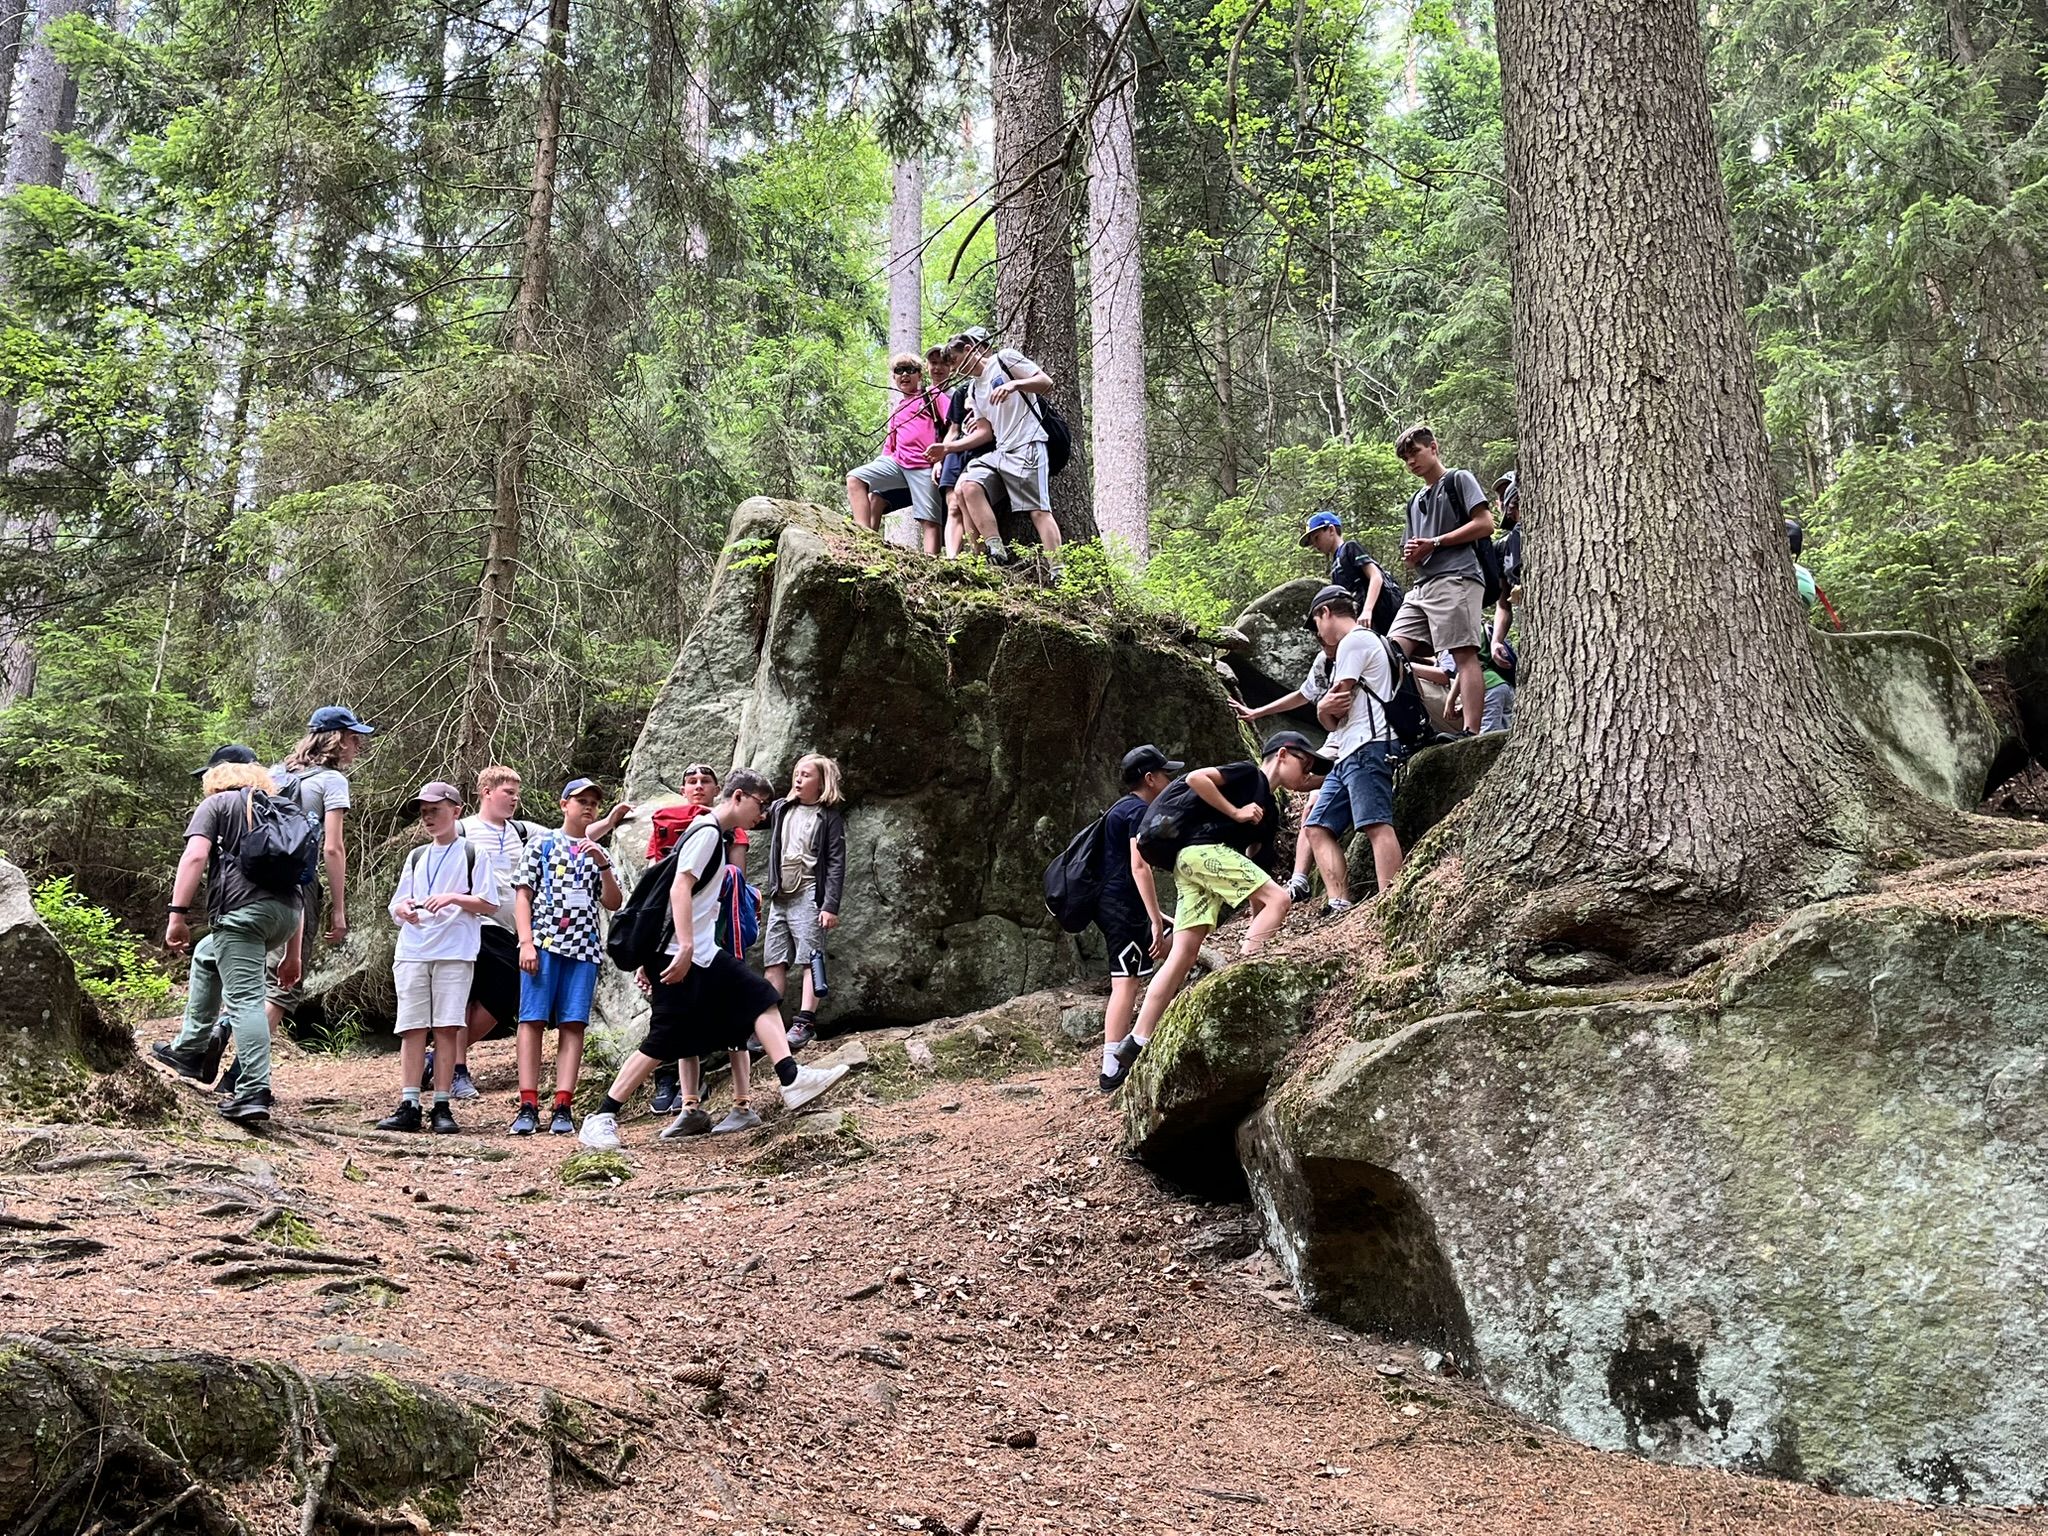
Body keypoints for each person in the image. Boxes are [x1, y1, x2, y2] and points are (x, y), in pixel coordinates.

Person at [578, 770, 849, 1151]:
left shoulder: (713, 836)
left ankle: (791, 1078)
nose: (762, 815)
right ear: (738, 797)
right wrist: (684, 946)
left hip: (703, 953)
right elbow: (679, 887)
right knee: (663, 1038)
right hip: (680, 956)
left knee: (759, 996)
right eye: (758, 805)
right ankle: (601, 1116)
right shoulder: (706, 834)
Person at [1113, 732, 1330, 1073]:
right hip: (1201, 853)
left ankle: (1137, 1039)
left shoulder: (1269, 813)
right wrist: (1236, 811)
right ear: (1283, 754)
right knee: (1280, 898)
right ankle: (1240, 983)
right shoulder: (1249, 774)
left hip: (1187, 865)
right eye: (1306, 763)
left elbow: (1258, 876)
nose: (1309, 774)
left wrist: (1263, 919)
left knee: (1184, 950)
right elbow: (1198, 778)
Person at [151, 755, 308, 1125]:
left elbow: (194, 857)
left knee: (245, 1001)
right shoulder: (284, 809)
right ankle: (190, 1049)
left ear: (216, 781)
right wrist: (293, 953)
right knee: (207, 953)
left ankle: (254, 1090)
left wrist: (177, 915)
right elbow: (300, 880)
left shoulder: (217, 804)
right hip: (286, 916)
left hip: (242, 915)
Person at [376, 782, 501, 1135]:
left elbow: (489, 903)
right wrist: (404, 910)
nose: (429, 818)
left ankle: (442, 1105)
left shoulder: (473, 853)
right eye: (424, 812)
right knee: (412, 1026)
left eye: (436, 810)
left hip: (454, 950)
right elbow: (397, 904)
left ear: (456, 810)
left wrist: (452, 899)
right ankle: (409, 1103)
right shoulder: (417, 856)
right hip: (414, 949)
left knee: (447, 1027)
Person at [640, 763, 756, 1128]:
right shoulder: (673, 826)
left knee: (735, 1017)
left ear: (720, 789)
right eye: (691, 781)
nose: (698, 786)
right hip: (680, 939)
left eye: (706, 781)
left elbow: (736, 879)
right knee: (680, 1017)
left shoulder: (727, 830)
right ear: (681, 787)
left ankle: (741, 1103)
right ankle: (689, 1105)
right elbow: (659, 886)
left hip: (717, 933)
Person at [509, 778, 625, 1136]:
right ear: (564, 805)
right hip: (543, 944)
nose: (587, 807)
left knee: (573, 1024)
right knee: (532, 1020)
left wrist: (602, 864)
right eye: (580, 801)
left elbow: (613, 902)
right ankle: (528, 1103)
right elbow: (523, 896)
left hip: (584, 948)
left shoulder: (598, 850)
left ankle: (563, 1104)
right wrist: (526, 943)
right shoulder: (542, 842)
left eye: (593, 802)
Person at [254, 706, 374, 1049]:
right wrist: (338, 909)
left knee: (254, 973)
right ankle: (243, 1072)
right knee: (283, 984)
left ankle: (223, 1032)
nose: (357, 747)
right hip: (298, 884)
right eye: (353, 739)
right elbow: (333, 848)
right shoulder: (332, 780)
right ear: (335, 740)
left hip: (255, 882)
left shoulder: (274, 773)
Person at [453, 766, 555, 1099]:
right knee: (464, 996)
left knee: (503, 996)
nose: (514, 799)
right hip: (472, 925)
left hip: (513, 929)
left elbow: (567, 834)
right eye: (508, 792)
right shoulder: (462, 829)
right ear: (486, 792)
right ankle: (456, 1070)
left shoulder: (523, 831)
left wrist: (609, 822)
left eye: (516, 793)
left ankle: (442, 1058)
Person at [1301, 587, 1403, 913]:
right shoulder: (1356, 643)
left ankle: (1391, 902)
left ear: (1326, 613)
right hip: (1347, 750)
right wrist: (1323, 711)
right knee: (1317, 827)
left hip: (1369, 744)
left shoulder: (1355, 641)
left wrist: (1322, 710)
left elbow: (1336, 704)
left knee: (1375, 824)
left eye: (1316, 623)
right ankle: (1339, 902)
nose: (1319, 633)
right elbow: (1330, 718)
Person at [1389, 425, 1494, 736]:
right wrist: (1412, 554)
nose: (1411, 462)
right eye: (1406, 459)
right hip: (1422, 586)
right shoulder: (1415, 500)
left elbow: (1485, 524)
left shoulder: (1458, 479)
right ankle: (1415, 727)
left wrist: (1435, 542)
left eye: (1415, 453)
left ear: (1433, 448)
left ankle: (1471, 732)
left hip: (1457, 576)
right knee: (1390, 653)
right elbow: (1411, 551)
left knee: (1463, 653)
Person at [1095, 745, 1178, 1094]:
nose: (1169, 779)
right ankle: (1111, 1067)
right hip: (1121, 908)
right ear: (1150, 778)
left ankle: (1154, 1024)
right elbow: (1138, 865)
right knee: (1125, 981)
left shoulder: (1122, 808)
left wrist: (1158, 917)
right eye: (1165, 774)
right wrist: (1154, 921)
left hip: (1120, 904)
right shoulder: (1136, 812)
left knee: (1179, 939)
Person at [947, 330, 1061, 568]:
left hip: (1028, 443)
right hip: (1002, 451)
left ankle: (1058, 570)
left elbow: (1045, 382)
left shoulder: (1004, 359)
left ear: (969, 350)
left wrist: (1015, 385)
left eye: (957, 362)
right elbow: (985, 432)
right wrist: (948, 448)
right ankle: (994, 548)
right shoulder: (973, 390)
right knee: (968, 485)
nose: (957, 370)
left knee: (1038, 510)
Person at [761, 754, 847, 1051]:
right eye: (796, 773)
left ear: (822, 783)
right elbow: (755, 817)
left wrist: (830, 906)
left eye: (806, 775)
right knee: (774, 959)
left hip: (810, 893)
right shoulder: (782, 808)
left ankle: (805, 1022)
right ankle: (769, 1024)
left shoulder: (829, 817)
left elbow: (836, 863)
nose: (798, 779)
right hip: (780, 895)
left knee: (811, 956)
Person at [847, 353, 951, 554]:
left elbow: (953, 423)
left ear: (920, 375)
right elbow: (890, 446)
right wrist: (879, 466)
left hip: (925, 465)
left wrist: (943, 457)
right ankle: (864, 540)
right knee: (855, 479)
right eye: (899, 371)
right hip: (898, 463)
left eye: (910, 370)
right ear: (894, 377)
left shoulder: (931, 395)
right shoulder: (898, 410)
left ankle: (932, 565)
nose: (904, 375)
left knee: (929, 520)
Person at [1298, 509, 1398, 634]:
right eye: (1312, 542)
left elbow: (1376, 576)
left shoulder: (1350, 548)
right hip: (1360, 620)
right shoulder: (1335, 565)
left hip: (1376, 615)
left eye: (1317, 538)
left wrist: (1368, 610)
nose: (1315, 545)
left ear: (1331, 530)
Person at [1490, 471, 1523, 666]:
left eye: (1508, 494)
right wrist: (1496, 641)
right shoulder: (1501, 548)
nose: (1504, 503)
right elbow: (1503, 604)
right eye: (1500, 497)